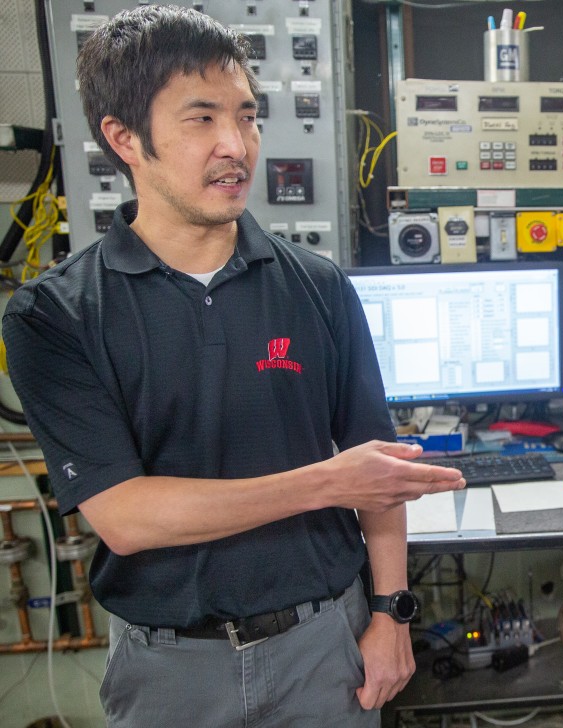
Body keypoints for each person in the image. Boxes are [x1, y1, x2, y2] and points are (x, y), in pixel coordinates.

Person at [2, 6, 465, 726]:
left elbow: (377, 477)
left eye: (247, 116)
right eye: (201, 119)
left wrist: (391, 615)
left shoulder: (318, 286)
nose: (236, 145)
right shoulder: (53, 315)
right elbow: (125, 517)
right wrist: (324, 483)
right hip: (168, 671)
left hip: (323, 647)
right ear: (123, 138)